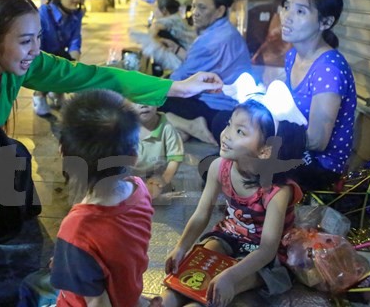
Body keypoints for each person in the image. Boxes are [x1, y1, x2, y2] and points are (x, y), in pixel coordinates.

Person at [0, 0, 223, 243]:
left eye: (37, 38)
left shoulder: (23, 65)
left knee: (16, 163)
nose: (35, 50)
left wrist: (178, 88)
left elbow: (92, 77)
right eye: (25, 41)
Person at [163, 100, 303, 307]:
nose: (226, 133)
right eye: (229, 124)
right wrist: (181, 247)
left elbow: (267, 249)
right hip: (229, 235)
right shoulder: (219, 167)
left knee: (214, 294)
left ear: (265, 150)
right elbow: (202, 214)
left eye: (240, 132)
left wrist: (230, 276)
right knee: (182, 280)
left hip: (264, 257)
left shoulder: (277, 192)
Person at [51, 90, 154, 306]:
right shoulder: (140, 190)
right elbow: (120, 258)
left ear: (63, 152)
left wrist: (72, 254)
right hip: (129, 297)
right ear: (133, 157)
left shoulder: (76, 231)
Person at [279, 0, 356, 191]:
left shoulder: (329, 69)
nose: (287, 17)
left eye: (300, 11)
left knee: (244, 167)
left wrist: (267, 134)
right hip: (293, 150)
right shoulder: (292, 55)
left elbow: (316, 141)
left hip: (320, 165)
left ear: (325, 22)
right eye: (286, 7)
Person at [159, 0, 251, 145]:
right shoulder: (227, 32)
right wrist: (178, 50)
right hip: (229, 108)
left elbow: (178, 81)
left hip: (213, 109)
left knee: (150, 97)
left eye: (202, 7)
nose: (195, 12)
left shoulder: (210, 41)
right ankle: (181, 129)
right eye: (193, 6)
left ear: (220, 11)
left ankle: (190, 126)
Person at [33, 0, 86, 116]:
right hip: (39, 59)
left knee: (70, 64)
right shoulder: (42, 15)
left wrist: (73, 68)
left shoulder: (76, 15)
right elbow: (36, 52)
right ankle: (39, 95)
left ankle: (57, 91)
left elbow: (75, 42)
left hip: (59, 58)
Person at [133, 103, 184, 200]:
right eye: (137, 100)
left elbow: (175, 158)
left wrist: (164, 179)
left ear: (159, 101)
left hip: (154, 177)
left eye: (149, 99)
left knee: (152, 190)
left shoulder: (167, 128)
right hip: (130, 177)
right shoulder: (123, 127)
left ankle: (153, 197)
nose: (144, 105)